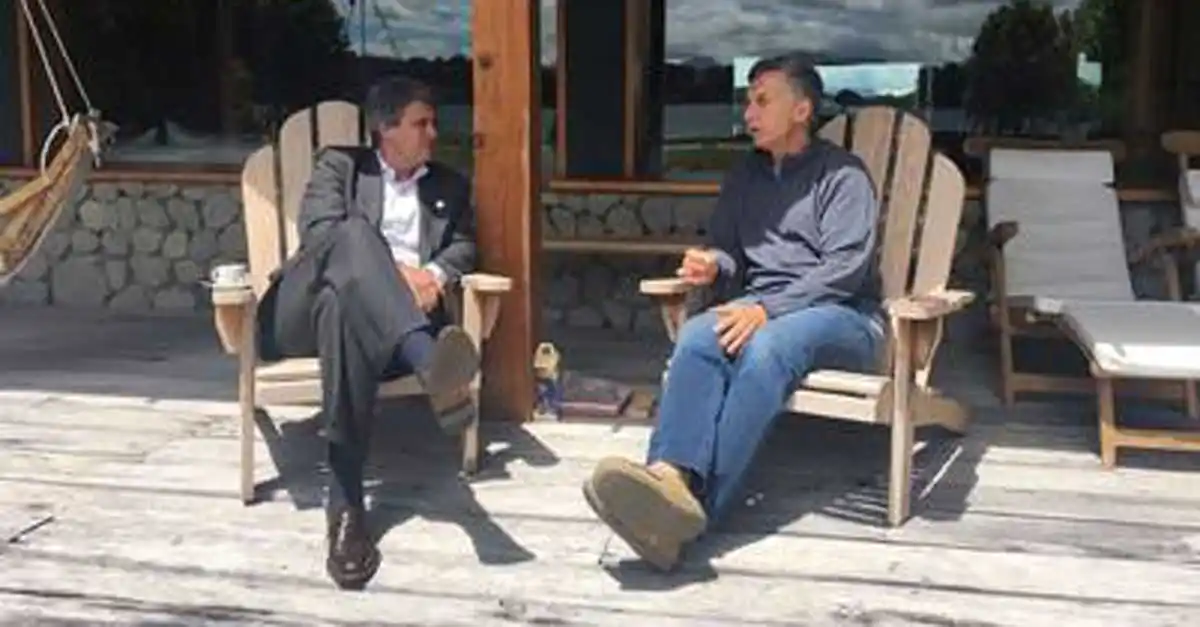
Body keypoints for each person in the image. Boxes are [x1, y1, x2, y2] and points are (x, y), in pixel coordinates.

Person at [582, 53, 885, 572]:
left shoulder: (842, 176)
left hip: (844, 315)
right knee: (699, 336)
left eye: (762, 101)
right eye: (748, 101)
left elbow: (845, 270)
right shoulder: (746, 175)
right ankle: (670, 476)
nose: (748, 113)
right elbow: (729, 252)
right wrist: (712, 265)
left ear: (801, 110)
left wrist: (767, 308)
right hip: (764, 306)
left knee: (766, 349)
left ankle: (695, 511)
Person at [255, 75, 480, 590]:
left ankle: (347, 504)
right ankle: (431, 363)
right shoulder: (339, 166)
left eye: (433, 123)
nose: (433, 133)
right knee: (351, 236)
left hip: (373, 331)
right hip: (297, 319)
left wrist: (435, 275)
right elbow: (319, 233)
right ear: (386, 128)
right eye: (421, 123)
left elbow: (465, 247)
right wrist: (399, 275)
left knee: (344, 309)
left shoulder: (449, 185)